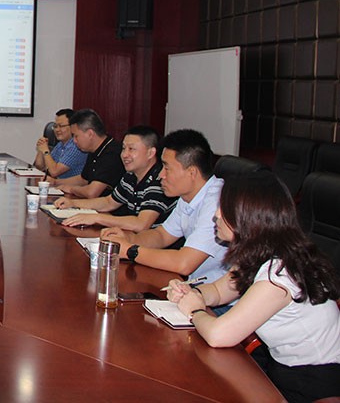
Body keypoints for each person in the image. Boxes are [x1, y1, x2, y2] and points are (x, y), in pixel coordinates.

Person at [167, 173, 340, 403]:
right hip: (280, 367)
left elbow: (219, 335)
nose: (216, 215)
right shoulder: (261, 253)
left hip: (311, 383)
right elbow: (219, 291)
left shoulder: (279, 274)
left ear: (247, 216)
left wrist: (194, 310)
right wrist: (191, 293)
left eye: (223, 208)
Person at [101, 129, 226, 284]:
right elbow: (161, 235)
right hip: (191, 286)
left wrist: (129, 250)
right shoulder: (188, 196)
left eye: (167, 168)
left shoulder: (216, 203)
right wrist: (128, 238)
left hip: (216, 295)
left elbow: (183, 263)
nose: (161, 175)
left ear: (192, 172)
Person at [57, 126, 176, 231]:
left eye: (131, 149)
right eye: (123, 148)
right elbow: (109, 202)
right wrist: (73, 203)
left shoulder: (160, 181)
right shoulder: (131, 175)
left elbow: (141, 224)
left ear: (151, 153)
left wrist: (96, 218)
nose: (124, 155)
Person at [48, 108, 122, 199]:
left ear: (90, 134)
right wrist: (56, 182)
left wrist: (71, 189)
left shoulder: (112, 153)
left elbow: (92, 192)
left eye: (76, 136)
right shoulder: (93, 149)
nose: (74, 141)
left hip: (107, 206)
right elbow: (84, 179)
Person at [33, 108, 86, 179]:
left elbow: (54, 172)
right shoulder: (60, 144)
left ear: (72, 126)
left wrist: (46, 151)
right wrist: (41, 148)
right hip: (59, 183)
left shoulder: (76, 146)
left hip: (72, 185)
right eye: (55, 126)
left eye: (61, 126)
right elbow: (40, 167)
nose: (57, 130)